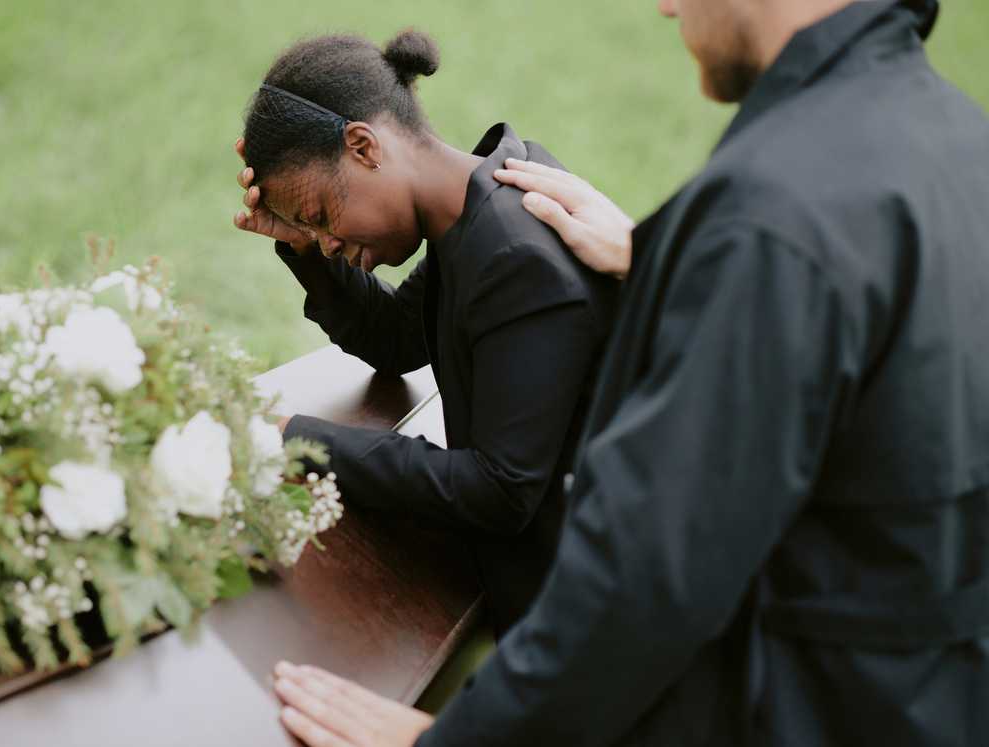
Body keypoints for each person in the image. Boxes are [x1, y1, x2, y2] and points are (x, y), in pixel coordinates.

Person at [270, 0, 989, 745]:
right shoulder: (954, 136)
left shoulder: (775, 216)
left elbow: (650, 577)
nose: (667, 5)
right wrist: (665, 265)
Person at [232, 31, 616, 636]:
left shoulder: (515, 254)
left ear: (363, 147)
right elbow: (395, 339)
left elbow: (500, 491)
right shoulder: (475, 204)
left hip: (578, 621)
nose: (328, 242)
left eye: (322, 216)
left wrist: (295, 439)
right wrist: (303, 249)